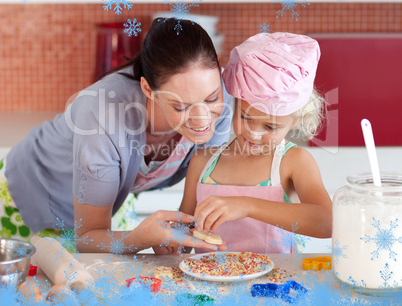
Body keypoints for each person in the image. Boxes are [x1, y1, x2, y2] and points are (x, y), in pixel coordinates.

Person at [1, 18, 232, 254]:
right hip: (30, 192)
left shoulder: (221, 93)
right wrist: (140, 239)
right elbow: (88, 238)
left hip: (109, 205)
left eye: (211, 99)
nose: (202, 120)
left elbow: (199, 189)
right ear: (147, 90)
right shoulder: (102, 116)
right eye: (180, 107)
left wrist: (178, 240)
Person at [179, 32, 333, 254]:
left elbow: (327, 223)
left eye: (270, 127)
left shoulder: (293, 162)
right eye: (245, 117)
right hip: (211, 287)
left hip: (276, 286)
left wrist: (247, 205)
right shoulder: (202, 162)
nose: (253, 133)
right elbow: (184, 235)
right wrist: (171, 242)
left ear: (295, 121)